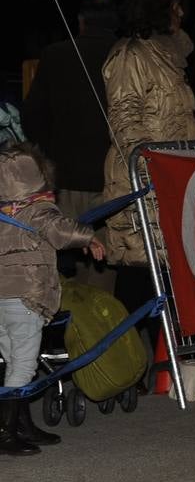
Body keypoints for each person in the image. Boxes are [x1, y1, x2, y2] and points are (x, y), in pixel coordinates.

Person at [100, 0, 195, 333]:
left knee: (164, 269)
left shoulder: (169, 57)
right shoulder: (131, 55)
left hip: (171, 175)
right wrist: (151, 163)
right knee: (140, 269)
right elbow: (125, 118)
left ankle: (164, 357)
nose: (182, 14)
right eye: (176, 7)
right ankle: (128, 363)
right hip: (142, 177)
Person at [0, 143, 105, 455]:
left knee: (14, 362)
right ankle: (6, 433)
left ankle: (22, 424)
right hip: (26, 297)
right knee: (23, 364)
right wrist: (89, 237)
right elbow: (60, 231)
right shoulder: (39, 210)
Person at [22, 0, 119, 289]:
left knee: (59, 258)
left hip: (65, 175)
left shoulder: (56, 54)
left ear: (81, 22)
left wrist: (49, 157)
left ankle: (63, 324)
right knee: (103, 262)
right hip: (112, 178)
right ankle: (97, 327)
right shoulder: (125, 55)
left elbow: (33, 115)